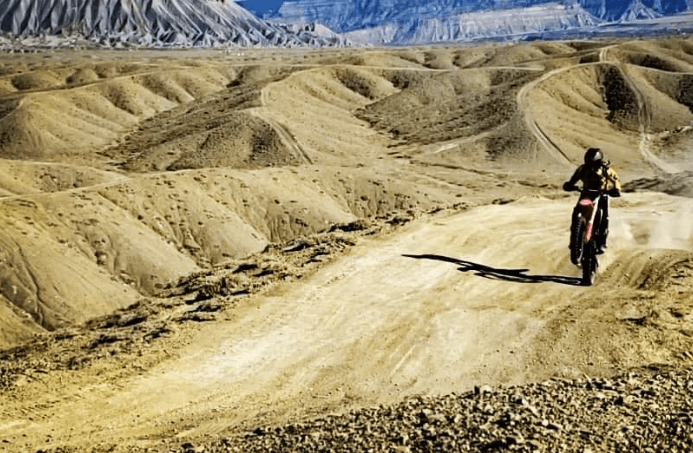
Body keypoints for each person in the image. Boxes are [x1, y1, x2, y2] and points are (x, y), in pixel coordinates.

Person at [563, 148, 621, 256]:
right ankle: (574, 241)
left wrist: (616, 189)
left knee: (604, 217)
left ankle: (602, 243)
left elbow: (615, 178)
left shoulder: (605, 170)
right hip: (586, 194)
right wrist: (569, 185)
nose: (591, 167)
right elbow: (574, 179)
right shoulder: (583, 169)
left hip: (601, 195)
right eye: (589, 163)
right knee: (576, 214)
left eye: (592, 164)